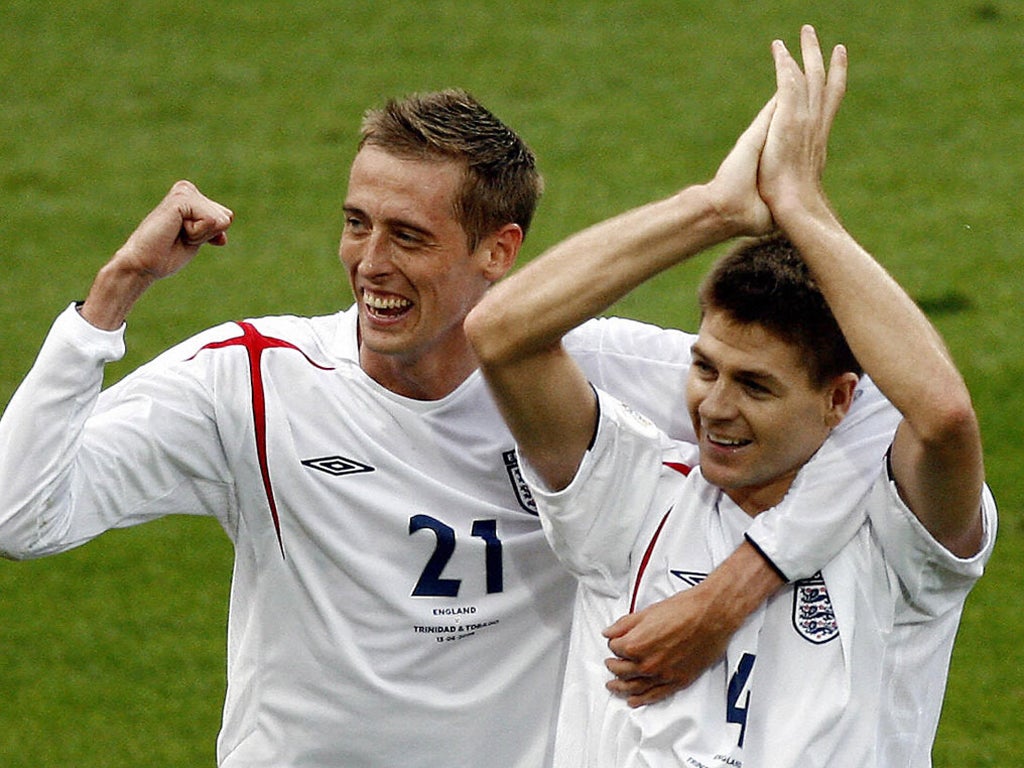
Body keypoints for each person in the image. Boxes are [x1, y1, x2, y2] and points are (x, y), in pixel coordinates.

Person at [0, 87, 895, 766]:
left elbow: (870, 419)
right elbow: (21, 517)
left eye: (409, 235)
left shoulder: (585, 371)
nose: (370, 264)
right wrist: (110, 298)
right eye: (356, 224)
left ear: (498, 251)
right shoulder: (254, 382)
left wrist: (733, 587)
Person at [465, 25, 995, 767]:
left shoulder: (896, 536)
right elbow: (500, 334)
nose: (714, 406)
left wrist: (804, 208)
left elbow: (941, 414)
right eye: (706, 367)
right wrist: (714, 209)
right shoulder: (634, 494)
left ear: (841, 401)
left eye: (756, 386)